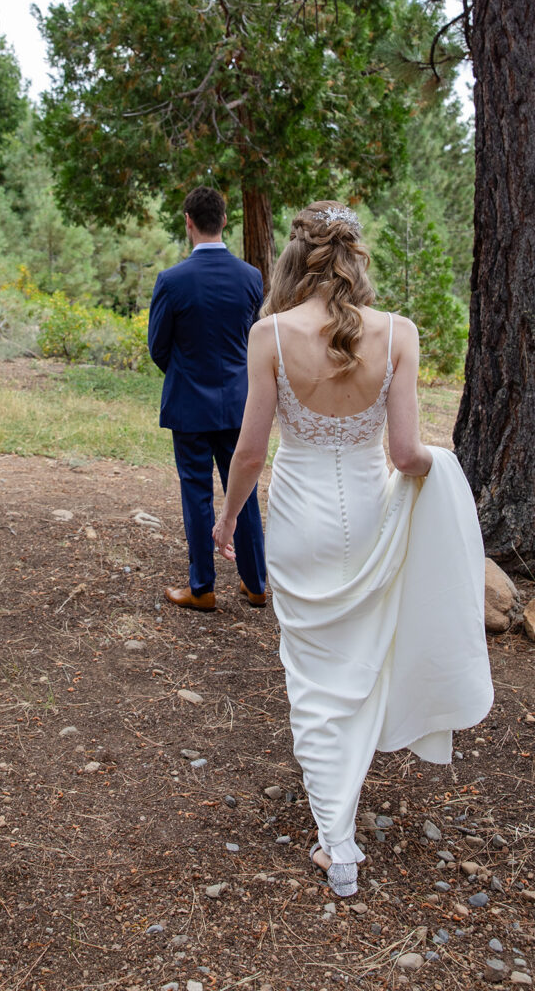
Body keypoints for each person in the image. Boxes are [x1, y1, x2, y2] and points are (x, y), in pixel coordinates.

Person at [212, 201, 494, 896]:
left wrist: (226, 520)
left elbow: (249, 452)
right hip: (372, 516)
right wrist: (446, 476)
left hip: (302, 518)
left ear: (292, 259)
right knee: (361, 662)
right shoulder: (398, 333)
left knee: (310, 674)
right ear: (354, 256)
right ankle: (340, 815)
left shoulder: (269, 335)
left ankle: (336, 842)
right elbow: (404, 453)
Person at [148, 186, 267, 611]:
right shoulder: (251, 278)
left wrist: (187, 375)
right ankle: (256, 584)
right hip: (239, 403)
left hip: (189, 406)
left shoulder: (171, 280)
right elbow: (254, 340)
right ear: (225, 221)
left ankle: (202, 588)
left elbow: (157, 347)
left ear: (188, 222)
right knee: (245, 490)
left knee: (196, 492)